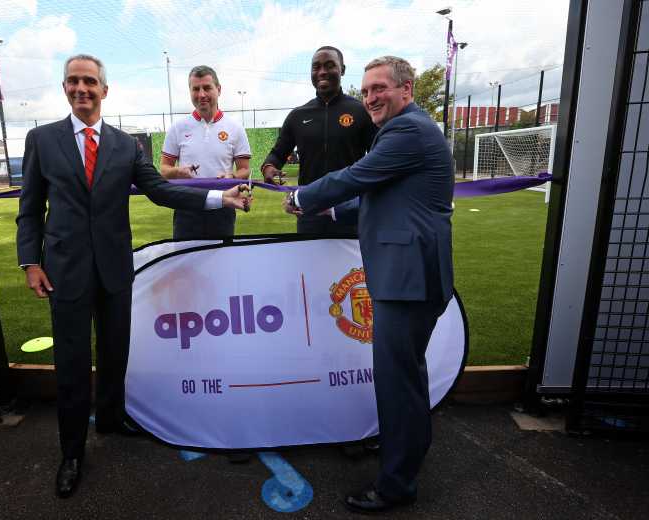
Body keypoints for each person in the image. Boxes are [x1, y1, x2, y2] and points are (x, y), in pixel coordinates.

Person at [16, 54, 251, 499]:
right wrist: (30, 262)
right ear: (65, 88)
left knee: (114, 351)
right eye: (73, 81)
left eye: (89, 82)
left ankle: (110, 417)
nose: (81, 88)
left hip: (114, 269)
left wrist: (222, 200)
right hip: (64, 272)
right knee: (69, 362)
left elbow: (161, 191)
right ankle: (72, 452)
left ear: (104, 90)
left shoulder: (126, 147)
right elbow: (29, 208)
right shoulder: (41, 139)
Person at [283, 56, 454, 513]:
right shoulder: (405, 130)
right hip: (408, 276)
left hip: (408, 279)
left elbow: (356, 177)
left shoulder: (407, 131)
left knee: (399, 383)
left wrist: (303, 196)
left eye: (380, 88)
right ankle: (402, 452)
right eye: (366, 90)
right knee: (405, 379)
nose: (371, 97)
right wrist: (332, 210)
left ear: (407, 90)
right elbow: (377, 197)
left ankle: (397, 485)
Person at [262, 45, 377, 235]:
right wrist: (269, 168)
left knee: (352, 267)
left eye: (329, 65)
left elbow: (377, 158)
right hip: (309, 211)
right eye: (316, 67)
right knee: (308, 265)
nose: (322, 72)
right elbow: (277, 154)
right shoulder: (297, 116)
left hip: (350, 213)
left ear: (343, 69)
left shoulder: (361, 111)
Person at [160, 65, 251, 239]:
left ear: (218, 89)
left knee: (221, 263)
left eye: (207, 88)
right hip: (186, 208)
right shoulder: (177, 128)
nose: (201, 94)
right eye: (196, 89)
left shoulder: (235, 128)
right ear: (190, 92)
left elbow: (245, 170)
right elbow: (164, 170)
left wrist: (232, 177)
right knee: (185, 263)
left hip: (223, 206)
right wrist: (178, 171)